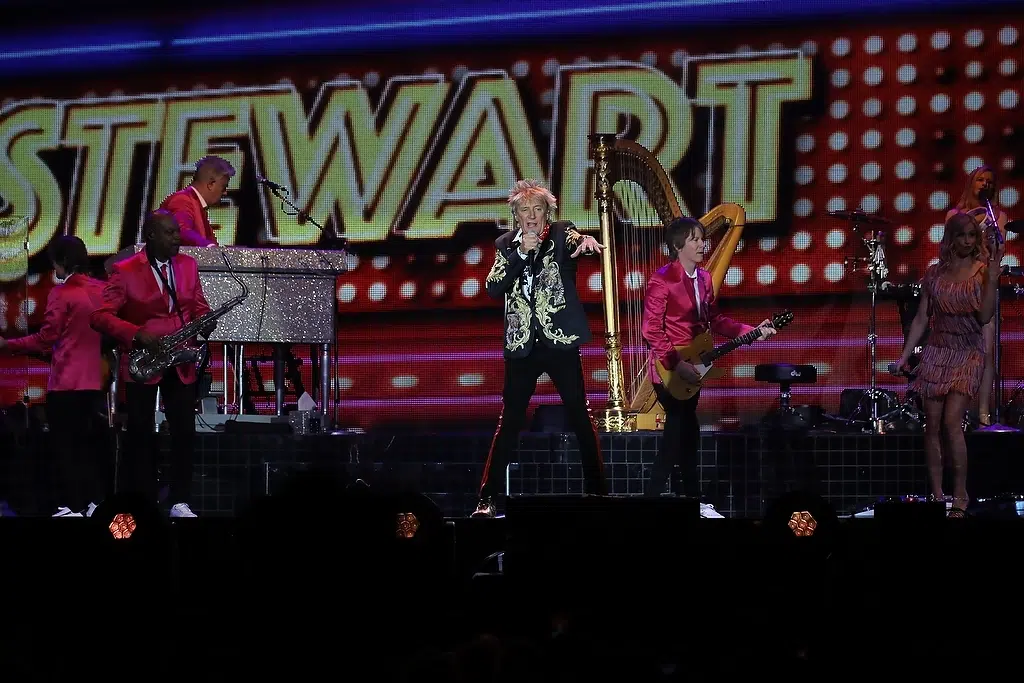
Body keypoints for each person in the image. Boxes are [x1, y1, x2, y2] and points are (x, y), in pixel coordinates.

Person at [471, 179, 607, 518]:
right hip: (522, 345)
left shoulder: (561, 233)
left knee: (579, 415)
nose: (531, 216)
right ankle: (487, 498)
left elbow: (576, 239)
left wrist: (586, 241)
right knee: (510, 420)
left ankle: (598, 493)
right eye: (524, 210)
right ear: (515, 215)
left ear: (548, 213)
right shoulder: (505, 245)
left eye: (538, 209)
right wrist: (520, 253)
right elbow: (493, 287)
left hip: (558, 342)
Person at [641, 217, 775, 516]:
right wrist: (677, 364)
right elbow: (651, 330)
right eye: (696, 240)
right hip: (669, 369)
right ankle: (652, 501)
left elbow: (715, 320)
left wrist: (751, 331)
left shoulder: (703, 279)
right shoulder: (662, 280)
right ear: (678, 246)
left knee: (687, 436)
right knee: (676, 435)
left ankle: (692, 501)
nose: (703, 244)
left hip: (696, 366)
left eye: (703, 239)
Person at [90, 210, 214, 518]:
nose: (177, 238)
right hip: (143, 362)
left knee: (184, 432)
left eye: (177, 232)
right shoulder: (124, 270)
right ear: (151, 236)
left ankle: (180, 501)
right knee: (140, 433)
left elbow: (198, 305)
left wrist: (205, 320)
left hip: (180, 359)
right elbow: (100, 316)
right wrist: (136, 334)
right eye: (170, 233)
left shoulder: (188, 265)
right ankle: (143, 502)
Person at [895, 211, 1003, 518]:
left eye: (972, 235)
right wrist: (904, 356)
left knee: (952, 422)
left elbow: (985, 316)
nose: (967, 241)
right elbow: (921, 318)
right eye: (961, 235)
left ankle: (960, 494)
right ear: (951, 238)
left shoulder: (982, 272)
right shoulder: (934, 274)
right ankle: (937, 495)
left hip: (967, 352)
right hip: (937, 351)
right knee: (932, 425)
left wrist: (993, 278)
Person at [0, 236, 109, 517]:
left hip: (66, 383)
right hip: (93, 382)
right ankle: (93, 503)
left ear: (62, 262)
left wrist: (8, 345)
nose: (55, 271)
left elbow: (46, 339)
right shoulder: (102, 291)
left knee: (65, 447)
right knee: (85, 446)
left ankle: (72, 506)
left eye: (55, 265)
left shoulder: (62, 294)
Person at [946, 165, 1008, 426]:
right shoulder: (954, 215)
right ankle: (957, 413)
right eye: (980, 180)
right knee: (958, 351)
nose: (985, 184)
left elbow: (998, 253)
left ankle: (983, 413)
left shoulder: (999, 216)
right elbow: (949, 250)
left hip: (984, 286)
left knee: (986, 350)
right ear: (971, 183)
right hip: (960, 287)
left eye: (989, 181)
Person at [158, 155, 235, 247]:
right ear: (211, 184)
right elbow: (181, 230)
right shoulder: (182, 200)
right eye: (224, 187)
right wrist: (210, 247)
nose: (225, 192)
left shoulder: (198, 206)